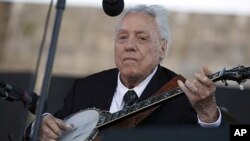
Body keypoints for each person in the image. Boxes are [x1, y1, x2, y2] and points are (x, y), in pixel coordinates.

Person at [28, 4, 222, 140]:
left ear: (162, 48)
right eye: (122, 37)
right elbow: (51, 130)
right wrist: (39, 128)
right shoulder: (85, 88)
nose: (129, 46)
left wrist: (209, 117)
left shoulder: (184, 97)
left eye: (142, 38)